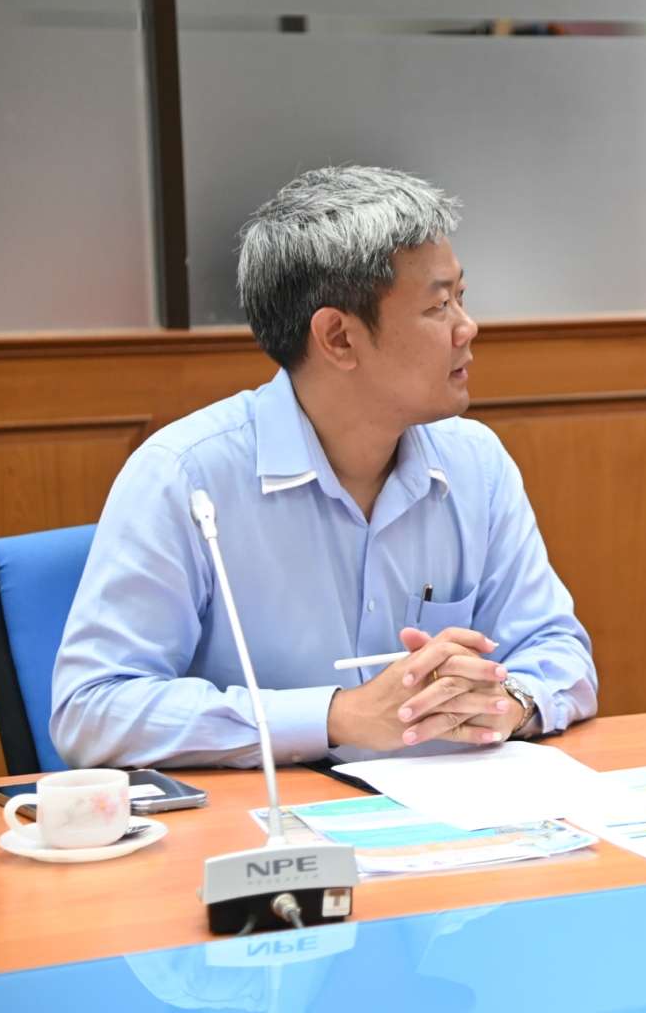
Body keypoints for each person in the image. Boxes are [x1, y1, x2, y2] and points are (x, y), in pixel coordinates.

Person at [52, 166, 596, 768]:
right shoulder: (184, 476)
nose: (468, 328)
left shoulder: (476, 464)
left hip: (450, 811)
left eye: (461, 298)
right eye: (439, 305)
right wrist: (336, 716)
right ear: (338, 337)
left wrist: (511, 701)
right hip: (269, 821)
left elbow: (557, 650)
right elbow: (92, 710)